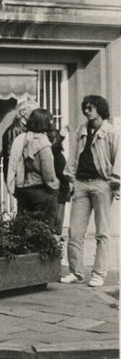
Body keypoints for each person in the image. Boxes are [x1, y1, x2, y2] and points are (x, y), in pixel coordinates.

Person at [61, 95, 120, 287]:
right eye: (85, 107)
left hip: (101, 184)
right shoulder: (81, 131)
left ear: (100, 109)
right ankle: (76, 272)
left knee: (102, 232)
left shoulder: (111, 132)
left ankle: (98, 274)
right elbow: (73, 156)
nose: (87, 111)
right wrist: (70, 178)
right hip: (81, 183)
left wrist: (115, 181)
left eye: (91, 107)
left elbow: (118, 158)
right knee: (75, 231)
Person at [13, 108, 59, 227]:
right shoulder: (43, 144)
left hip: (24, 189)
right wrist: (56, 185)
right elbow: (48, 175)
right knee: (43, 230)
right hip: (41, 190)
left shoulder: (24, 139)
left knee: (25, 229)